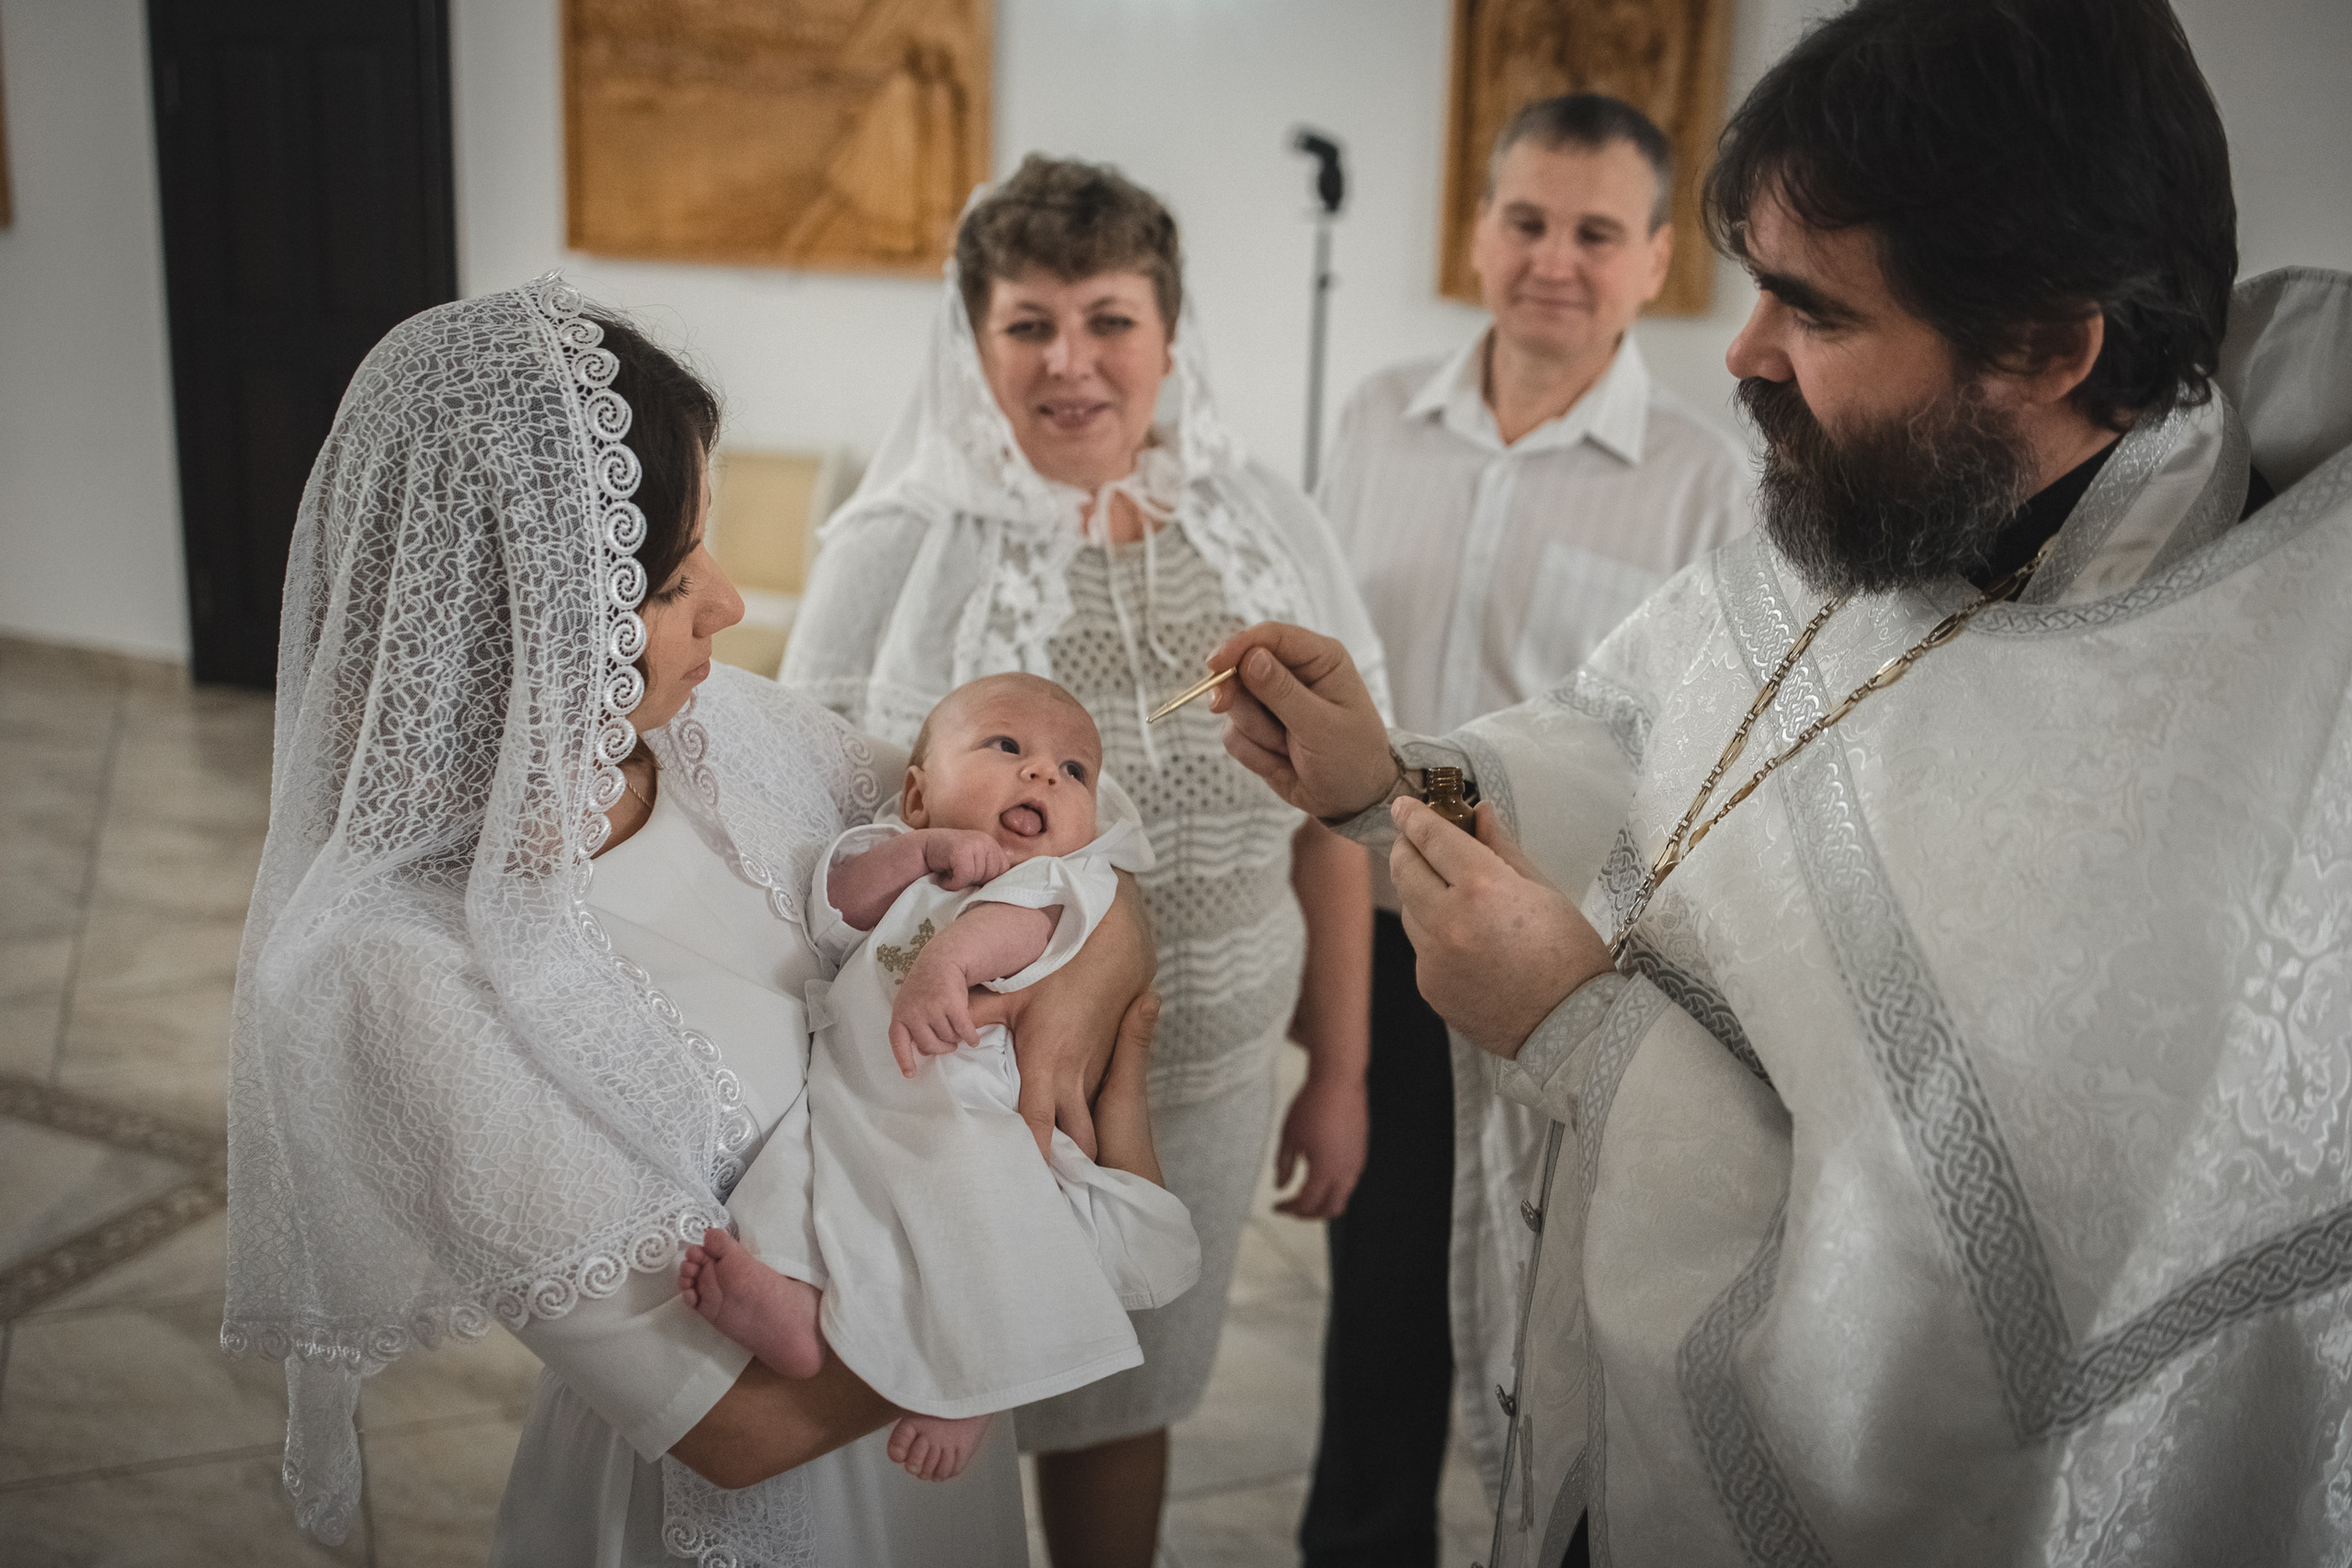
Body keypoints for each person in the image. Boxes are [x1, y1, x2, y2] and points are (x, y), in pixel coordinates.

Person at [1203, 0, 2352, 1562]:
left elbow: (1968, 1358)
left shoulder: (2248, 788)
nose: (1742, 354)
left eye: (1808, 310)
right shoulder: (1888, 505)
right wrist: (1391, 777)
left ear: (2050, 347)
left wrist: (1575, 1026)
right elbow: (1629, 737)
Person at [222, 275, 1158, 1568]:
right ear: (526, 617)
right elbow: (734, 1422)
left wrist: (1100, 976)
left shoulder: (720, 732)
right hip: (753, 1498)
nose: (727, 603)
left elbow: (1071, 847)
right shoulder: (388, 971)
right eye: (669, 581)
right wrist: (1047, 1272)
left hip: (931, 1454)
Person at [783, 154, 1391, 1565]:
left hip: (1209, 1074)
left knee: (1125, 1391)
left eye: (1110, 319)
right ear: (974, 338)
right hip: (942, 1084)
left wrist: (1342, 1070)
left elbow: (1334, 822)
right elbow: (806, 835)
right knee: (925, 1383)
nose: (1071, 362)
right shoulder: (894, 550)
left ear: (1170, 335)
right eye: (1029, 324)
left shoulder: (1270, 527)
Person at [1304, 92, 1749, 1568]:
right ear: (1480, 230)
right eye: (1528, 220)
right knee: (1378, 1295)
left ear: (1655, 261)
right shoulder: (1377, 416)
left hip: (1559, 959)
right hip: (1377, 930)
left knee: (1550, 1309)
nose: (1555, 259)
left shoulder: (1707, 479)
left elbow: (1682, 746)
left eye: (1596, 232)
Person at [677, 671, 1201, 1485]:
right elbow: (838, 907)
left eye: (1074, 771)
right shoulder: (894, 847)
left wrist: (946, 964)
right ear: (918, 793)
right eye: (1007, 745)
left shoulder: (1055, 879)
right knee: (793, 1182)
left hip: (972, 1104)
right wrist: (920, 853)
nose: (1043, 772)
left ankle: (978, 1381)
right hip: (852, 1095)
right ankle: (800, 1309)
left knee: (981, 1223)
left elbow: (1019, 928)